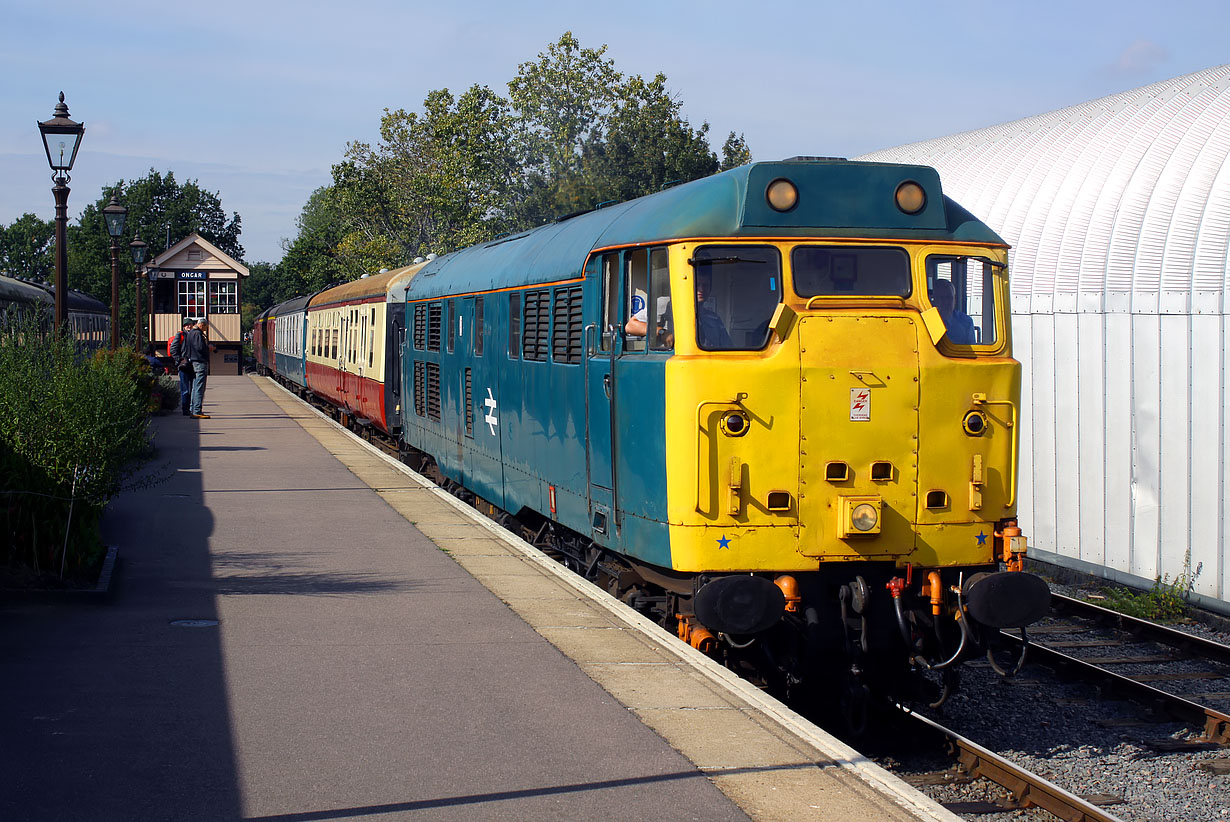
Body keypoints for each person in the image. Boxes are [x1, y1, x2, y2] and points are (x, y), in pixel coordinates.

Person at [184, 317, 215, 419]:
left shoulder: (191, 333)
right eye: (206, 327)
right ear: (202, 324)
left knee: (194, 387)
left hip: (193, 362)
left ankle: (193, 409)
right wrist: (209, 348)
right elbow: (200, 347)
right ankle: (197, 410)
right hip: (199, 362)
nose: (206, 329)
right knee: (199, 387)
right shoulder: (197, 334)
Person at [931, 279, 976, 345]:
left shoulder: (966, 322)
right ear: (933, 299)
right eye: (941, 298)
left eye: (949, 297)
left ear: (954, 299)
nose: (946, 302)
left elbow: (970, 352)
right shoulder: (924, 322)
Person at [167, 317, 196, 416]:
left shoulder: (194, 335)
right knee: (185, 390)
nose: (189, 326)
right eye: (187, 325)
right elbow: (173, 349)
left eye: (190, 324)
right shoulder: (180, 335)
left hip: (193, 365)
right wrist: (180, 360)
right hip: (183, 366)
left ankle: (192, 409)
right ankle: (185, 409)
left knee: (193, 389)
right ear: (184, 326)